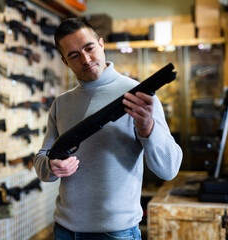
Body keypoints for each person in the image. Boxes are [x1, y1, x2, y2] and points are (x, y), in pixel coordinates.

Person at [34, 18, 182, 240]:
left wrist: (147, 129)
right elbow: (42, 161)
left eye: (89, 48)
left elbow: (169, 169)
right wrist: (52, 166)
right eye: (74, 55)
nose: (85, 59)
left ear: (101, 44)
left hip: (117, 232)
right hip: (65, 230)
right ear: (65, 62)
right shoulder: (61, 104)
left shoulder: (138, 95)